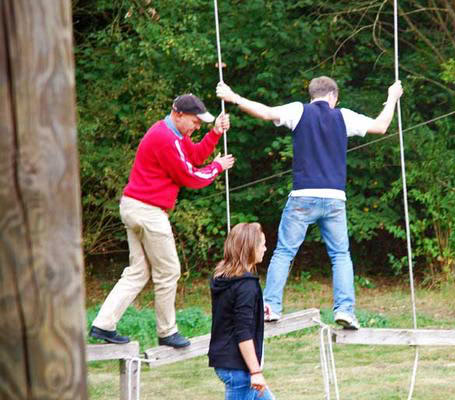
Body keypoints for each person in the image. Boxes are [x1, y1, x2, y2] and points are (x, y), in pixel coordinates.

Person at [216, 77, 403, 329]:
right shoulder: (343, 116)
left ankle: (271, 306)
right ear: (333, 96)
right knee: (340, 256)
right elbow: (381, 126)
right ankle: (345, 310)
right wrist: (392, 96)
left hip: (303, 196)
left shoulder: (298, 110)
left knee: (284, 252)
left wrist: (234, 97)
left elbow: (265, 112)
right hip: (335, 198)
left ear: (311, 94)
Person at [90, 94, 235, 348]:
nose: (197, 126)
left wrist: (214, 133)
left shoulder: (175, 135)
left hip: (135, 206)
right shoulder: (166, 140)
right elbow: (190, 176)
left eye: (201, 123)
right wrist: (218, 167)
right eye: (195, 121)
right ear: (177, 114)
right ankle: (167, 332)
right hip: (148, 211)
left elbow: (195, 157)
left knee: (138, 272)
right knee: (168, 271)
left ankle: (103, 324)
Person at [209, 222, 275, 400]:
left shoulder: (222, 277)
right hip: (238, 368)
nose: (265, 248)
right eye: (262, 244)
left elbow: (230, 312)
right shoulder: (246, 285)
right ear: (250, 247)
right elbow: (242, 331)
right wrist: (255, 371)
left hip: (227, 360)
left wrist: (258, 311)